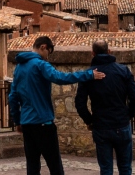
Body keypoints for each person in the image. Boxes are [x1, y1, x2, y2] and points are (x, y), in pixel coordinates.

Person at [9, 36, 106, 175]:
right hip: (43, 123)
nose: (48, 57)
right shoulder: (40, 65)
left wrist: (17, 120)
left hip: (27, 123)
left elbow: (13, 96)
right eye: (49, 52)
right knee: (55, 166)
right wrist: (88, 74)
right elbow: (61, 78)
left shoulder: (19, 68)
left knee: (32, 166)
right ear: (43, 47)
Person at [75, 41, 135, 175]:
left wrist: (89, 121)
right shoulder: (123, 71)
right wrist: (128, 116)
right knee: (125, 167)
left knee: (105, 169)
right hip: (121, 124)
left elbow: (80, 103)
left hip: (101, 125)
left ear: (93, 54)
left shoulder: (88, 74)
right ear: (109, 51)